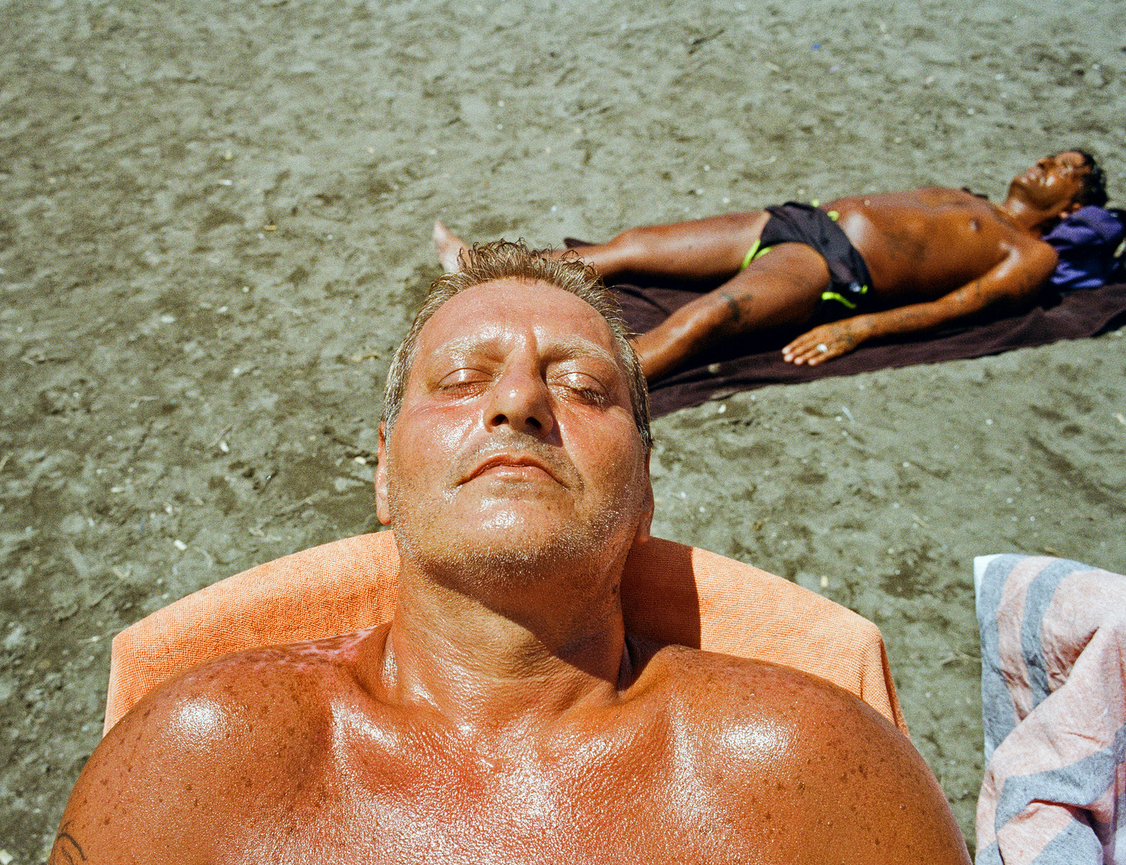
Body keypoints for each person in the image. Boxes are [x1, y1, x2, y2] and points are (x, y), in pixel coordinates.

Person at [50, 243, 969, 864]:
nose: (519, 401)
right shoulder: (205, 757)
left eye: (584, 387)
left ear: (644, 493)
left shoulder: (808, 767)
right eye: (461, 379)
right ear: (384, 474)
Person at [435, 150, 1108, 382]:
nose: (1045, 165)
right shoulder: (973, 199)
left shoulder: (1032, 252)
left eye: (1064, 170)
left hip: (830, 266)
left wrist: (858, 329)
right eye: (1050, 156)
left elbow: (958, 309)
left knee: (705, 319)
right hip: (797, 221)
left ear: (1074, 205)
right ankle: (483, 267)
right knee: (629, 246)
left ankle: (582, 383)